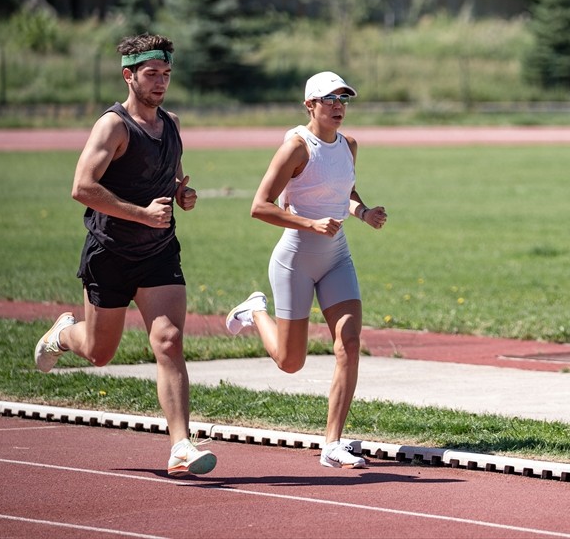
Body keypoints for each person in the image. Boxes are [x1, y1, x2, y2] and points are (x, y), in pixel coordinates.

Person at [34, 33, 215, 477]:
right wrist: (140, 214)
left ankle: (180, 446)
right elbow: (82, 187)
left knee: (169, 342)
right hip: (109, 253)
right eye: (151, 74)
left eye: (166, 74)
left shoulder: (171, 123)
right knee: (99, 353)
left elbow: (167, 181)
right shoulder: (112, 126)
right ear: (128, 75)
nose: (160, 83)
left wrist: (182, 194)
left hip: (158, 253)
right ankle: (64, 334)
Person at [226, 71, 387, 469]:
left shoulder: (348, 145)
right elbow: (259, 206)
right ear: (309, 105)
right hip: (295, 259)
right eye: (329, 99)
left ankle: (332, 444)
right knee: (290, 361)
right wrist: (310, 224)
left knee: (348, 344)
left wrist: (362, 212)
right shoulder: (296, 149)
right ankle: (253, 311)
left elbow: (341, 190)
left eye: (343, 100)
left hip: (336, 257)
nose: (338, 107)